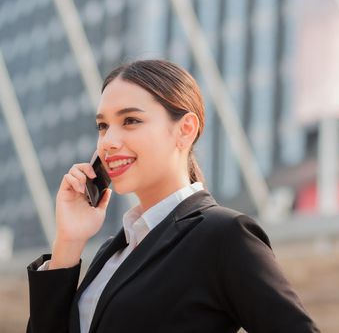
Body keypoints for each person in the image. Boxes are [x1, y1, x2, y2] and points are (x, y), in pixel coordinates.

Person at [26, 59, 320, 333]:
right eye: (103, 126)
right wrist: (68, 241)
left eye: (130, 121)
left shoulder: (224, 236)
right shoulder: (112, 252)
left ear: (185, 129)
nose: (109, 142)